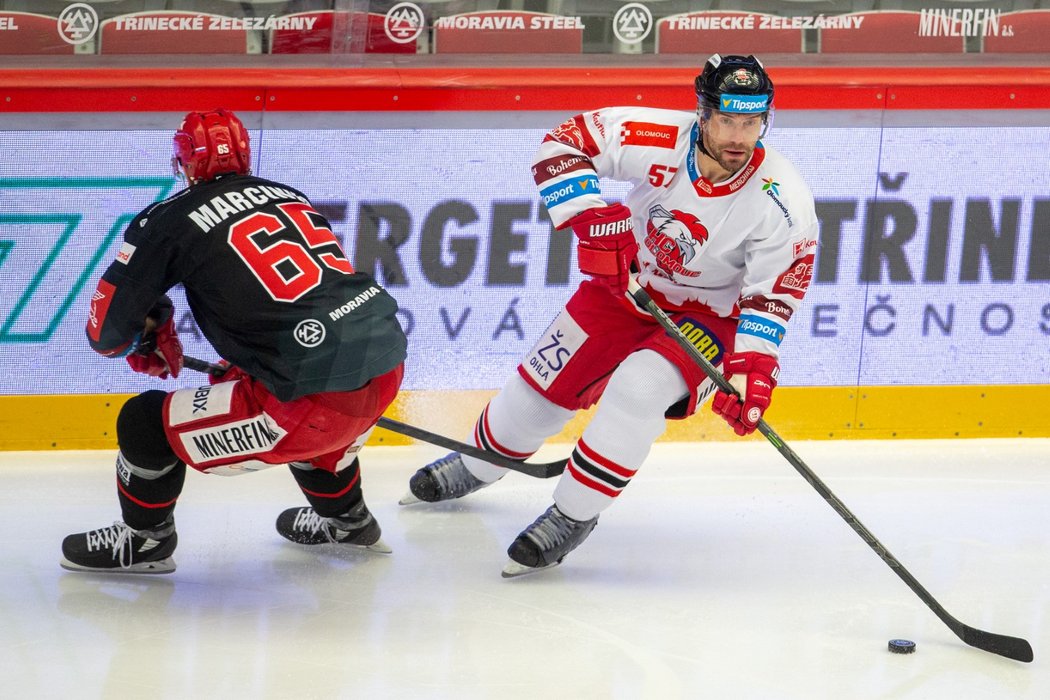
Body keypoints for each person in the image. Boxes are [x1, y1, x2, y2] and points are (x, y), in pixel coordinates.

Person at [400, 54, 818, 577]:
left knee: (638, 389)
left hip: (713, 316)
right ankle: (480, 463)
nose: (739, 136)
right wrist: (591, 215)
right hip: (627, 286)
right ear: (703, 113)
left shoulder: (785, 200)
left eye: (752, 122)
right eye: (728, 121)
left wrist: (751, 370)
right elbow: (563, 141)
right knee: (537, 396)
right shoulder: (659, 134)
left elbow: (771, 295)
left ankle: (571, 515)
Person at [61, 109, 407, 574]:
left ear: (182, 164)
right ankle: (348, 522)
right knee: (314, 394)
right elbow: (305, 304)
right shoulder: (289, 196)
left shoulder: (166, 220)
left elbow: (105, 336)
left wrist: (144, 337)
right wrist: (251, 364)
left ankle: (145, 542)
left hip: (309, 404)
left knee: (142, 423)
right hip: (386, 362)